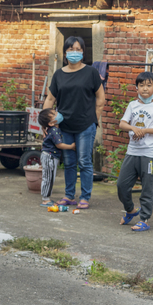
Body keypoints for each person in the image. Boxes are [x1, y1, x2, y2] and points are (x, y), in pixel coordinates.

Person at [43, 36, 106, 210]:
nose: (74, 52)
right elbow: (49, 99)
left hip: (85, 125)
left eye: (78, 49)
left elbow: (100, 98)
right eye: (71, 49)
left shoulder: (91, 73)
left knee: (84, 161)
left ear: (83, 52)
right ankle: (69, 196)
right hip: (64, 126)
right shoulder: (59, 74)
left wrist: (94, 120)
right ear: (65, 53)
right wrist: (46, 122)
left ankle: (85, 197)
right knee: (69, 162)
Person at [116, 72, 153, 232]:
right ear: (136, 88)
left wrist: (145, 130)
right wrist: (134, 128)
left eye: (149, 85)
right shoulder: (132, 105)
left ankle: (144, 219)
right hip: (132, 153)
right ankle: (131, 210)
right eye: (141, 85)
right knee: (121, 185)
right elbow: (122, 124)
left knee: (147, 188)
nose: (145, 89)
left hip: (149, 155)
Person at [37, 108, 76, 207]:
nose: (58, 114)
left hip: (48, 156)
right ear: (50, 123)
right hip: (50, 157)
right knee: (48, 178)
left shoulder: (52, 129)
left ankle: (46, 198)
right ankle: (45, 200)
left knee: (48, 177)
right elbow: (59, 145)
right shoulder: (54, 130)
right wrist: (71, 146)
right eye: (54, 115)